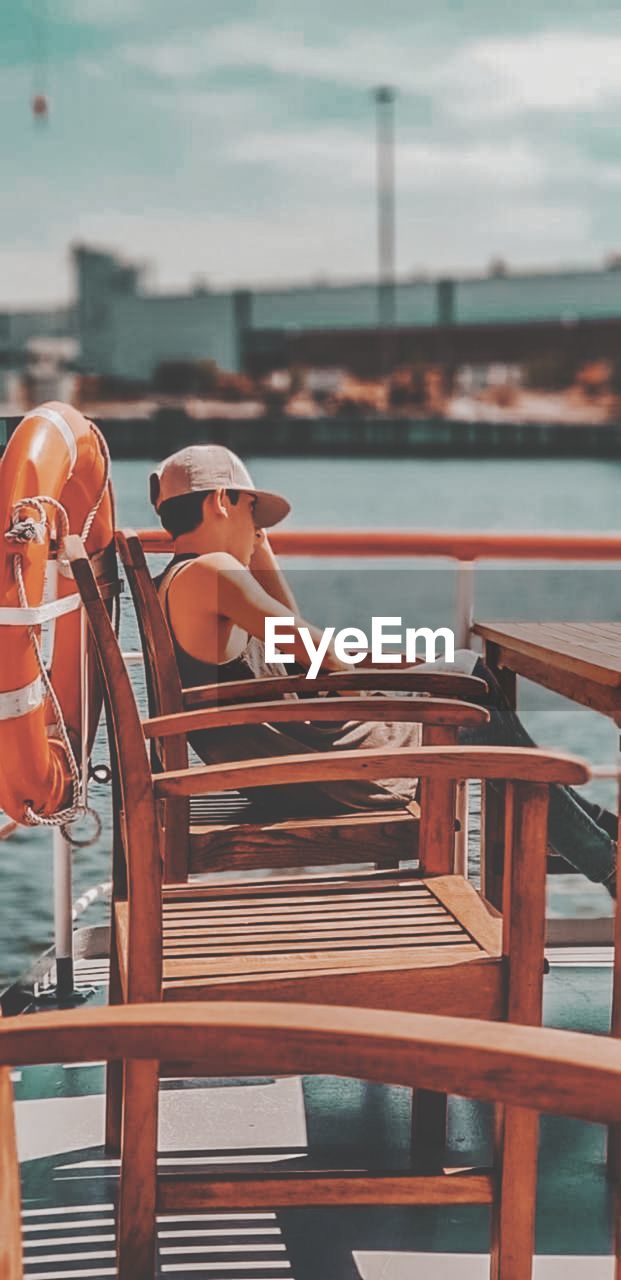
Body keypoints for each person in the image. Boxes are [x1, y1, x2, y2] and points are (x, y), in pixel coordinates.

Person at [149, 444, 617, 894]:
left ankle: (582, 834)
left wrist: (259, 550)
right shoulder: (213, 572)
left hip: (289, 769)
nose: (258, 532)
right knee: (471, 683)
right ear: (219, 502)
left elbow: (297, 654)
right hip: (320, 776)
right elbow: (325, 659)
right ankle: (597, 854)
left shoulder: (180, 580)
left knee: (465, 672)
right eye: (255, 513)